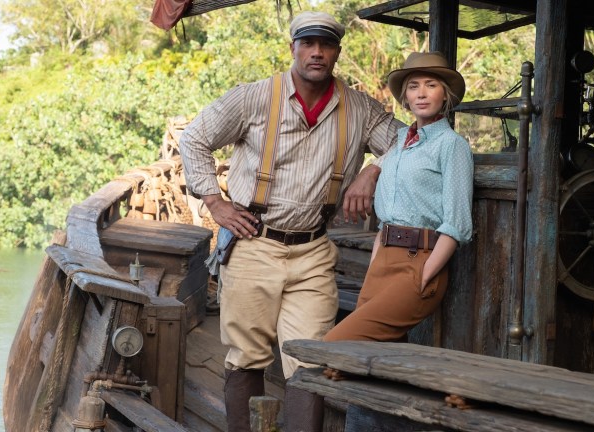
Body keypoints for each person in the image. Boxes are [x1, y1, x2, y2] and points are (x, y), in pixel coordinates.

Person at [178, 11, 403, 432]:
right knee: (246, 355)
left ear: (337, 51)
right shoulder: (254, 97)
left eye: (327, 45)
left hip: (314, 250)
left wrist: (372, 171)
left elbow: (411, 142)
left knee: (310, 357)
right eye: (308, 43)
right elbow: (194, 137)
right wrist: (214, 201)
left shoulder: (360, 109)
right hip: (253, 242)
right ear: (293, 48)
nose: (317, 52)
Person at [324, 51, 473, 344]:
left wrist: (425, 273)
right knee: (377, 358)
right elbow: (386, 214)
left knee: (336, 345)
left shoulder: (452, 146)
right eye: (414, 86)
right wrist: (376, 262)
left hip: (420, 262)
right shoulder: (400, 144)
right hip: (382, 260)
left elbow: (457, 223)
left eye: (431, 85)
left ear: (445, 94)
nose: (421, 93)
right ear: (405, 96)